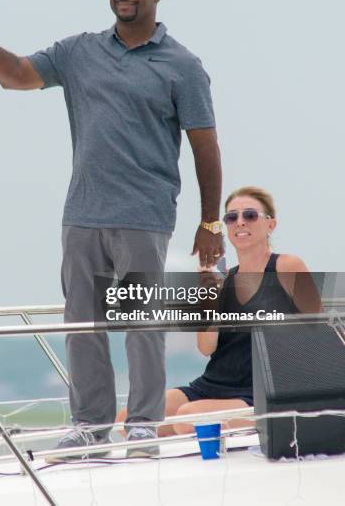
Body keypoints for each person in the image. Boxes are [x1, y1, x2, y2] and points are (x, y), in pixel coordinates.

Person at [0, 0, 224, 458]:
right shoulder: (79, 52)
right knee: (82, 325)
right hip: (81, 215)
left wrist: (210, 221)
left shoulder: (182, 66)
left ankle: (143, 424)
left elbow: (205, 145)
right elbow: (13, 74)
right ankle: (90, 426)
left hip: (145, 215)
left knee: (142, 325)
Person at [116, 186, 322, 437]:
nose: (240, 222)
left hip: (261, 387)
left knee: (188, 419)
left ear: (271, 225)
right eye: (231, 217)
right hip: (215, 382)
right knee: (127, 419)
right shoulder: (222, 280)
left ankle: (256, 419)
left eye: (250, 215)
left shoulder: (287, 266)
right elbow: (206, 348)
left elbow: (319, 329)